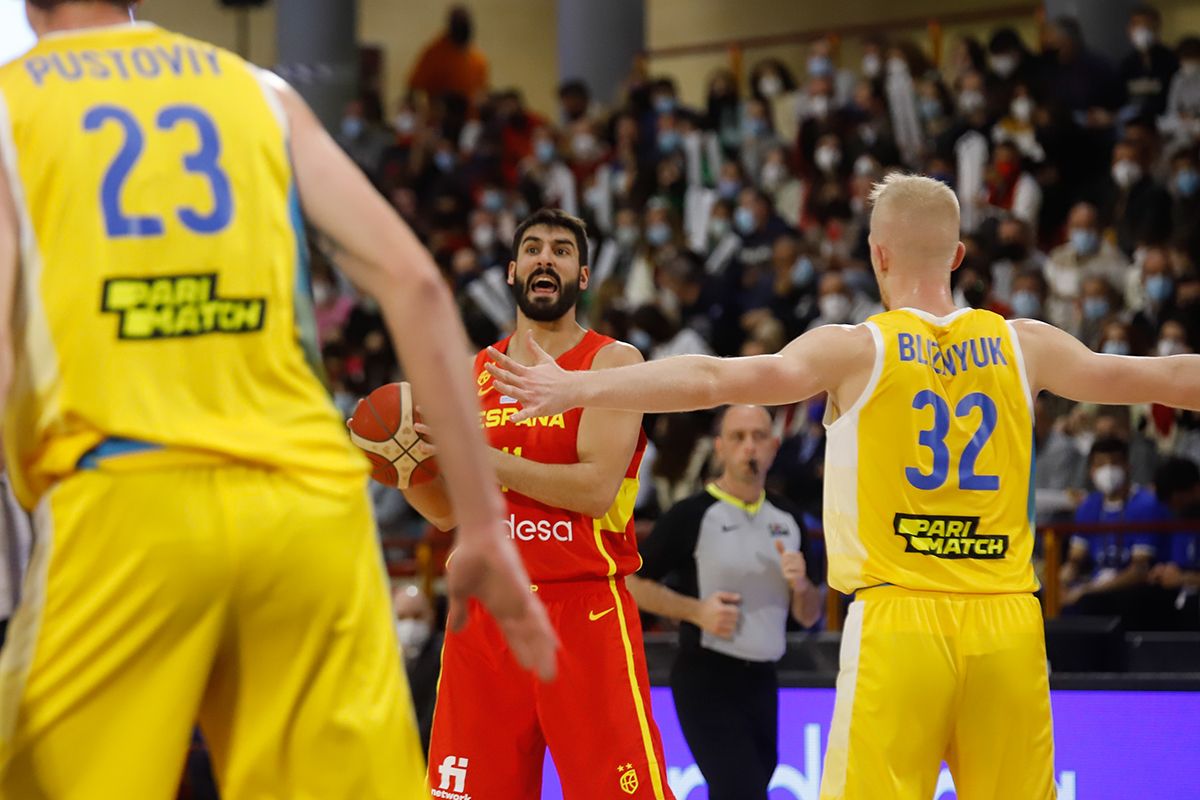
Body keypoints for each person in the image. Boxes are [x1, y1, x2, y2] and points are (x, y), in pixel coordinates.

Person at [487, 173, 1200, 799]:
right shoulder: (1026, 344)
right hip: (1008, 622)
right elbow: (1165, 376)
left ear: (876, 254)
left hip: (901, 623)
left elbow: (713, 378)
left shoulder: (857, 348)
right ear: (957, 256)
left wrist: (579, 386)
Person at [0, 2, 554, 798]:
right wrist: (483, 526)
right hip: (308, 514)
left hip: (124, 505)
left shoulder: (12, 103)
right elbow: (418, 285)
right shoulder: (260, 93)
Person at [401, 209, 674, 800]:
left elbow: (595, 488)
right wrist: (400, 466)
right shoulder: (472, 373)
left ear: (582, 278)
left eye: (561, 250)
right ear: (512, 271)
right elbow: (449, 512)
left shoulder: (613, 364)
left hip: (582, 611)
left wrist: (475, 454)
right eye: (532, 248)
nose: (544, 258)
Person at [628, 405, 822, 800]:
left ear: (773, 446)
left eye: (758, 436)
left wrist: (801, 586)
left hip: (764, 678)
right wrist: (696, 611)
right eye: (737, 436)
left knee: (747, 787)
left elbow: (808, 615)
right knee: (742, 789)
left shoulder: (788, 517)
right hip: (705, 676)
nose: (748, 446)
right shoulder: (692, 515)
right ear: (719, 447)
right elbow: (631, 584)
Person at [407, 5, 489, 112]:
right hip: (440, 120)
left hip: (470, 121)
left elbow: (482, 93)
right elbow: (414, 89)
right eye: (459, 24)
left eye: (465, 24)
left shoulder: (478, 59)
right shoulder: (434, 53)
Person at [393, 584, 443, 755]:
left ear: (431, 615)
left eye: (417, 616)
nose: (410, 625)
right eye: (402, 617)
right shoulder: (386, 656)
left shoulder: (444, 654)